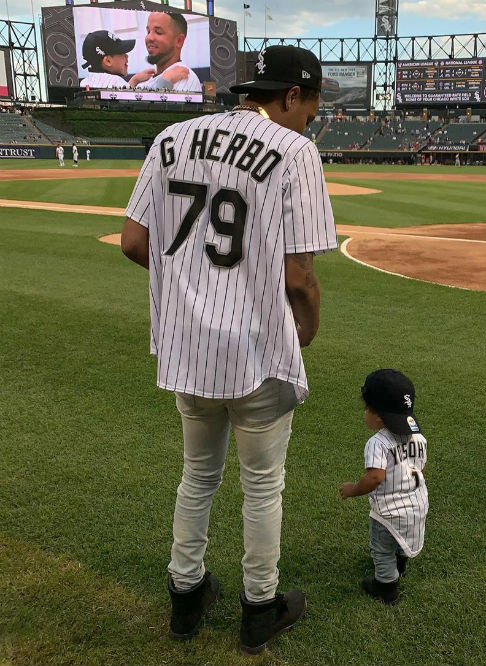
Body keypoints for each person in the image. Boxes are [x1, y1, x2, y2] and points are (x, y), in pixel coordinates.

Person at [121, 45, 337, 652]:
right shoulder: (296, 151)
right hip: (259, 351)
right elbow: (300, 278)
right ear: (292, 96)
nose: (308, 122)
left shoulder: (172, 136)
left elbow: (133, 242)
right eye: (310, 109)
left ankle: (186, 600)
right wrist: (307, 333)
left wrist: (189, 288)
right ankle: (258, 610)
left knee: (197, 476)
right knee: (263, 484)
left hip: (187, 350)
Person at [339, 369, 429, 606]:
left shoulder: (377, 443)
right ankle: (400, 566)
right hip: (417, 505)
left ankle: (386, 588)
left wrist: (352, 490)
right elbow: (421, 468)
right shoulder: (418, 437)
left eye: (365, 409)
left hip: (389, 512)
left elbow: (375, 478)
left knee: (381, 548)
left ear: (377, 415)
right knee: (401, 541)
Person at [134, 12, 201, 92]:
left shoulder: (184, 77)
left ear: (179, 41)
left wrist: (164, 83)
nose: (149, 37)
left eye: (158, 32)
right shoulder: (144, 81)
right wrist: (133, 82)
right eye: (148, 31)